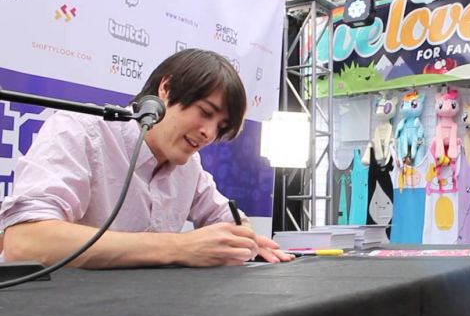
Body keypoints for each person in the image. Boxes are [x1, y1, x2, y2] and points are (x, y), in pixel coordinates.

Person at [0, 48, 294, 268]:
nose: (208, 133)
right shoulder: (79, 131)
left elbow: (230, 220)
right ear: (166, 89)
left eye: (220, 126)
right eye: (205, 112)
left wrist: (242, 239)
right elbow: (25, 242)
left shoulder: (189, 167)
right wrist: (180, 247)